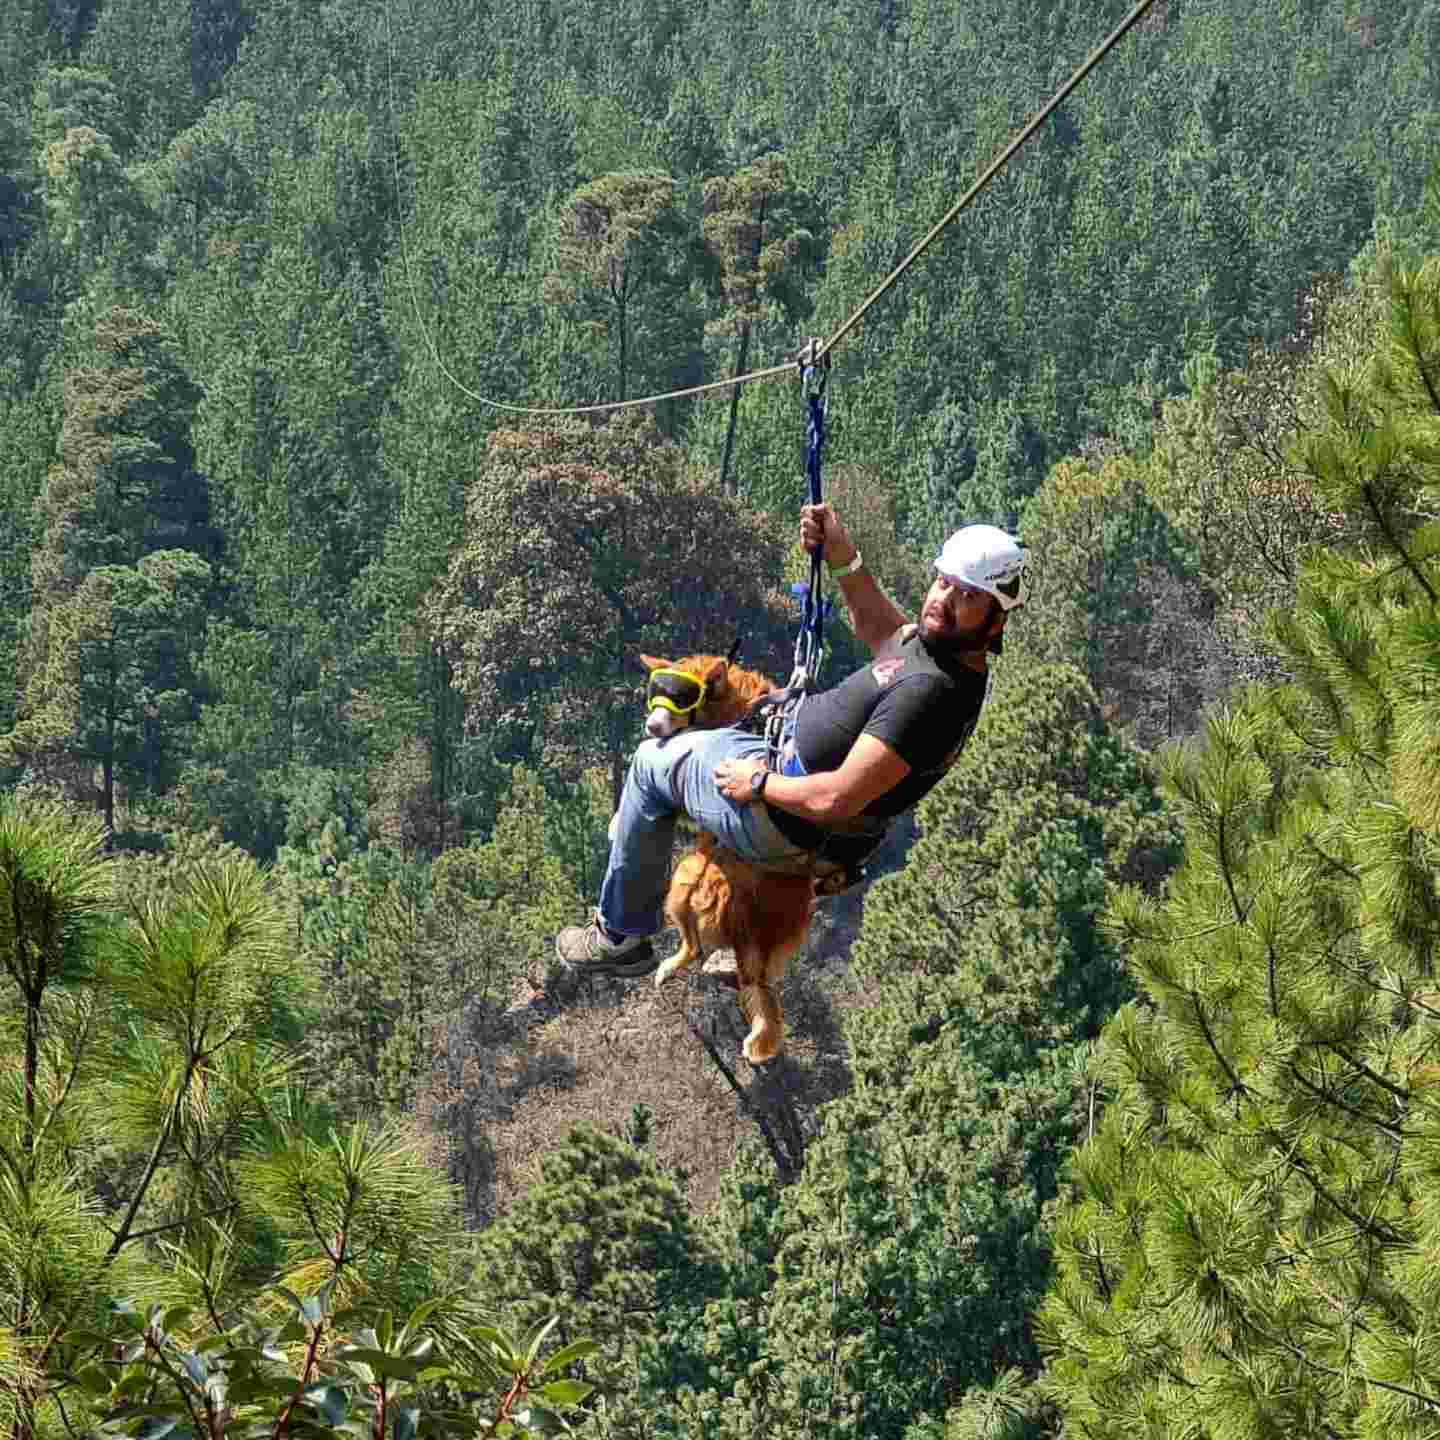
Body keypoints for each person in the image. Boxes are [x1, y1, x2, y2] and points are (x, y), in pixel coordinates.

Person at [554, 504, 1029, 976]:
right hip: (776, 761)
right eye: (943, 581)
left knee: (650, 762)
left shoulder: (929, 694)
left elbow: (836, 797)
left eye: (966, 595)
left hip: (776, 807)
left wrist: (757, 783)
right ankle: (667, 867)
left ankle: (619, 935)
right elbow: (884, 635)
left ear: (996, 617)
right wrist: (843, 556)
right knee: (689, 714)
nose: (943, 599)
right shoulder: (935, 651)